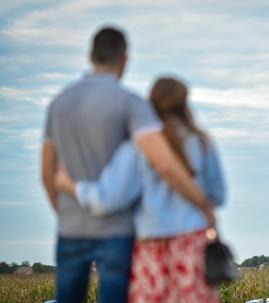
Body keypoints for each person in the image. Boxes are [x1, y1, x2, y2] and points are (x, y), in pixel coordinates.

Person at [41, 27, 214, 303]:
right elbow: (164, 164)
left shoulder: (59, 104)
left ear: (90, 56)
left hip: (71, 228)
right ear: (124, 59)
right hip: (117, 231)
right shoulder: (131, 104)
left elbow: (46, 173)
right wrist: (202, 203)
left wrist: (64, 215)